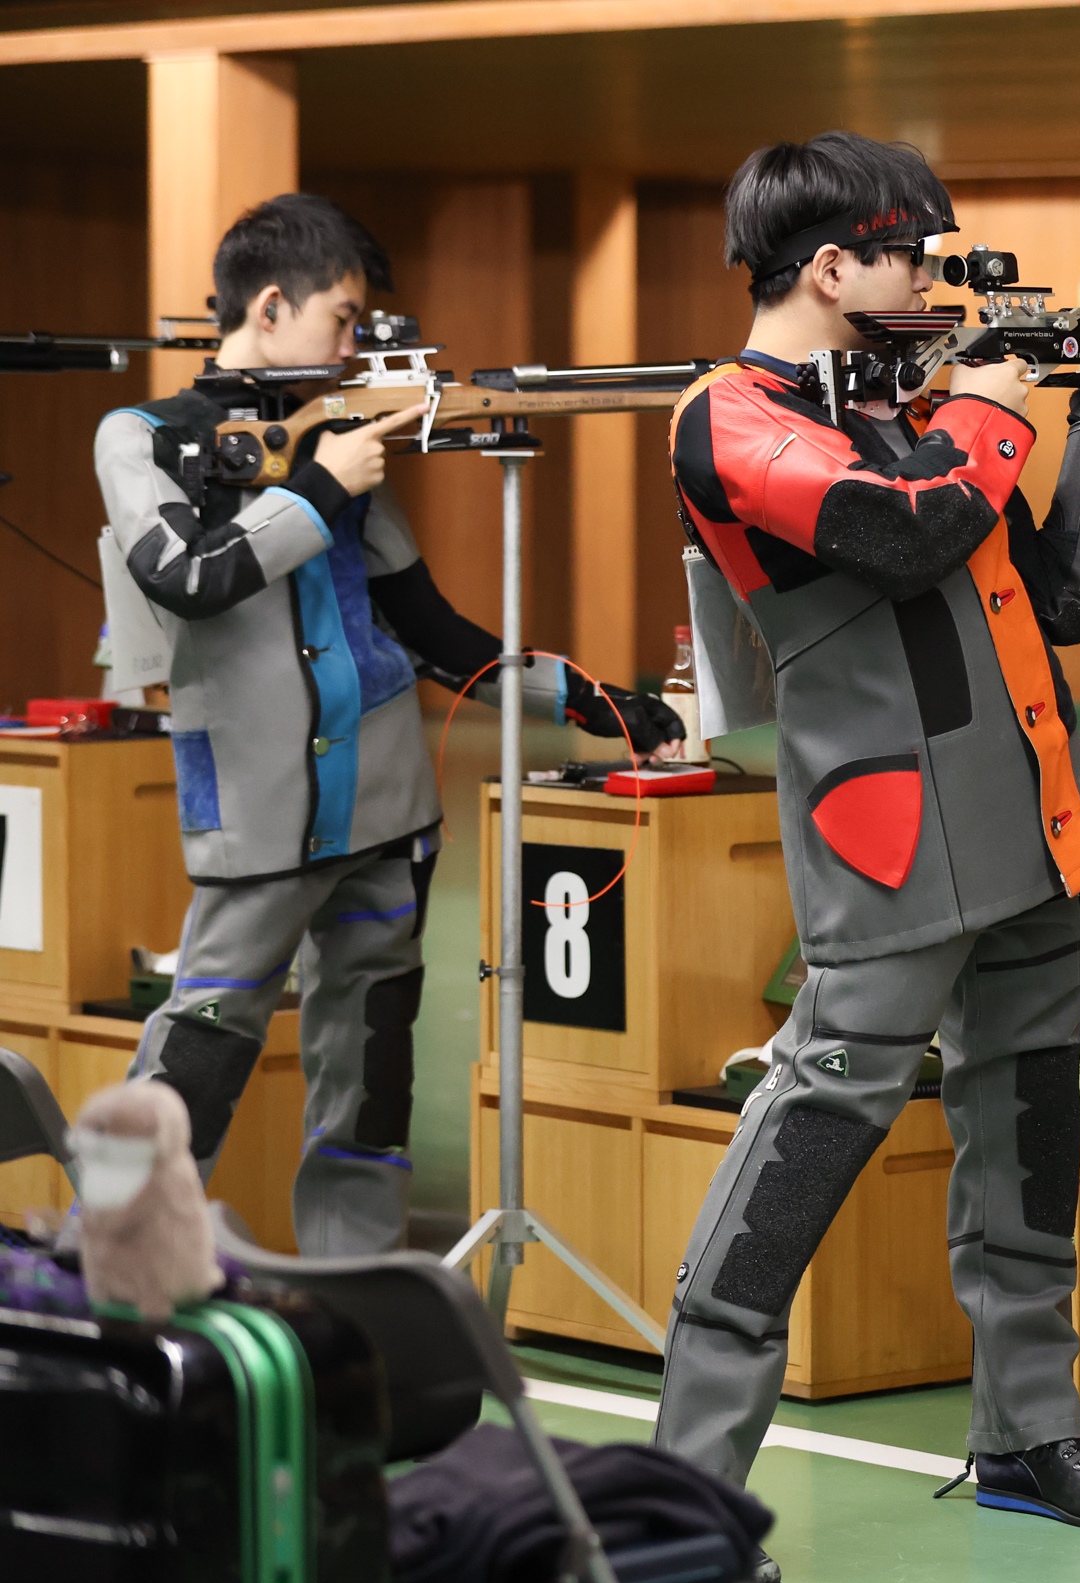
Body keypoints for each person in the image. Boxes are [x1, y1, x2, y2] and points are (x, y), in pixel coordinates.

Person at [656, 132, 1080, 1547]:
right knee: (804, 1153)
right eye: (912, 258)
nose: (936, 286)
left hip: (1033, 826)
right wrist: (995, 413)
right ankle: (684, 1497)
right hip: (890, 847)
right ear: (830, 268)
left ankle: (1030, 1431)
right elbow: (902, 537)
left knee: (1028, 1140)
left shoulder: (912, 410)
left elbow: (1066, 603)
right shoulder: (726, 418)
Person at [93, 193, 681, 1257]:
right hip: (256, 817)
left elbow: (431, 632)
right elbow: (185, 577)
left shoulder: (336, 444)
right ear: (271, 307)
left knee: (372, 1079)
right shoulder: (141, 436)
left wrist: (594, 704)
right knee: (198, 1052)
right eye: (345, 320)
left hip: (389, 813)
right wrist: (319, 490)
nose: (354, 347)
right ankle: (112, 1266)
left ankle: (355, 1283)